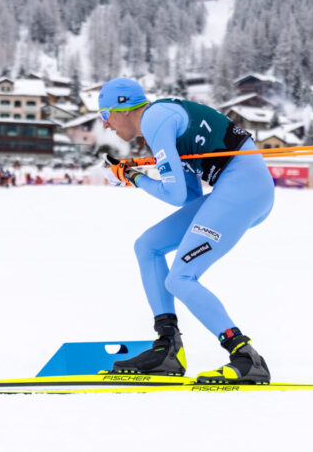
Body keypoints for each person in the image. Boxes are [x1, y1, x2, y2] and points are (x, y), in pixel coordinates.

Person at [98, 77, 275, 384]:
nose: (105, 125)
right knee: (148, 246)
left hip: (244, 189)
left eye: (105, 115)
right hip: (237, 188)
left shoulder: (155, 119)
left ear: (122, 109)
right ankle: (167, 347)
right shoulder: (160, 120)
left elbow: (176, 196)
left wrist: (133, 178)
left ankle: (245, 355)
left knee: (180, 278)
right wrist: (140, 173)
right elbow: (190, 194)